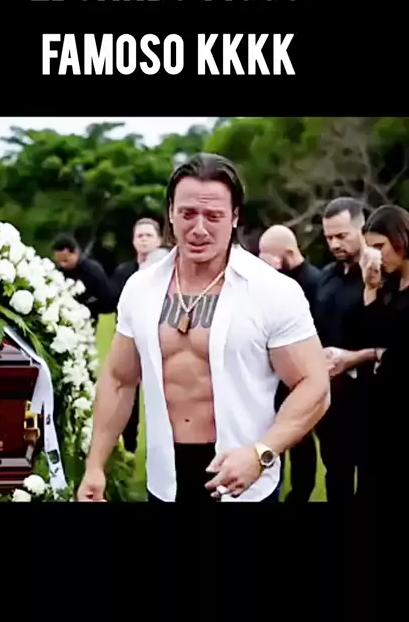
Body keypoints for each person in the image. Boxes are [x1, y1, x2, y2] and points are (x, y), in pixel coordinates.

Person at [77, 152, 330, 503]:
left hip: (244, 480)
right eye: (187, 213)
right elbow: (120, 380)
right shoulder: (140, 288)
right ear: (170, 212)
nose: (199, 229)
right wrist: (95, 466)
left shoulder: (273, 290)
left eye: (213, 216)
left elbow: (314, 384)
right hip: (166, 479)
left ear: (235, 217)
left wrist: (261, 453)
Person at [311, 198, 378, 502]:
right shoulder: (326, 276)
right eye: (329, 237)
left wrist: (353, 358)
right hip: (332, 398)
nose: (334, 244)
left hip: (372, 395)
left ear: (361, 230)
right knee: (335, 475)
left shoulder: (381, 276)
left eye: (342, 235)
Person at [349, 205, 409, 501]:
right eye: (370, 248)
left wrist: (382, 355)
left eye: (380, 246)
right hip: (379, 410)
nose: (377, 255)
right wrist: (370, 287)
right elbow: (368, 335)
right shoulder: (389, 287)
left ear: (401, 239)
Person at [259, 224, 322, 502]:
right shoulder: (273, 283)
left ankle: (300, 493)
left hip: (302, 372)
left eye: (268, 256)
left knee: (301, 438)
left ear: (286, 253)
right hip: (275, 373)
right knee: (275, 434)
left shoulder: (314, 282)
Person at [111, 218, 168, 453]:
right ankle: (129, 448)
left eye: (148, 235)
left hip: (159, 339)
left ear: (159, 240)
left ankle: (164, 446)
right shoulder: (124, 272)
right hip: (129, 339)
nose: (144, 240)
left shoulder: (166, 271)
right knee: (126, 390)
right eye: (140, 236)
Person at [52, 234, 115, 327]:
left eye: (65, 260)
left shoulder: (92, 271)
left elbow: (106, 299)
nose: (62, 265)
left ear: (76, 253)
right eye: (59, 261)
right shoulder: (59, 272)